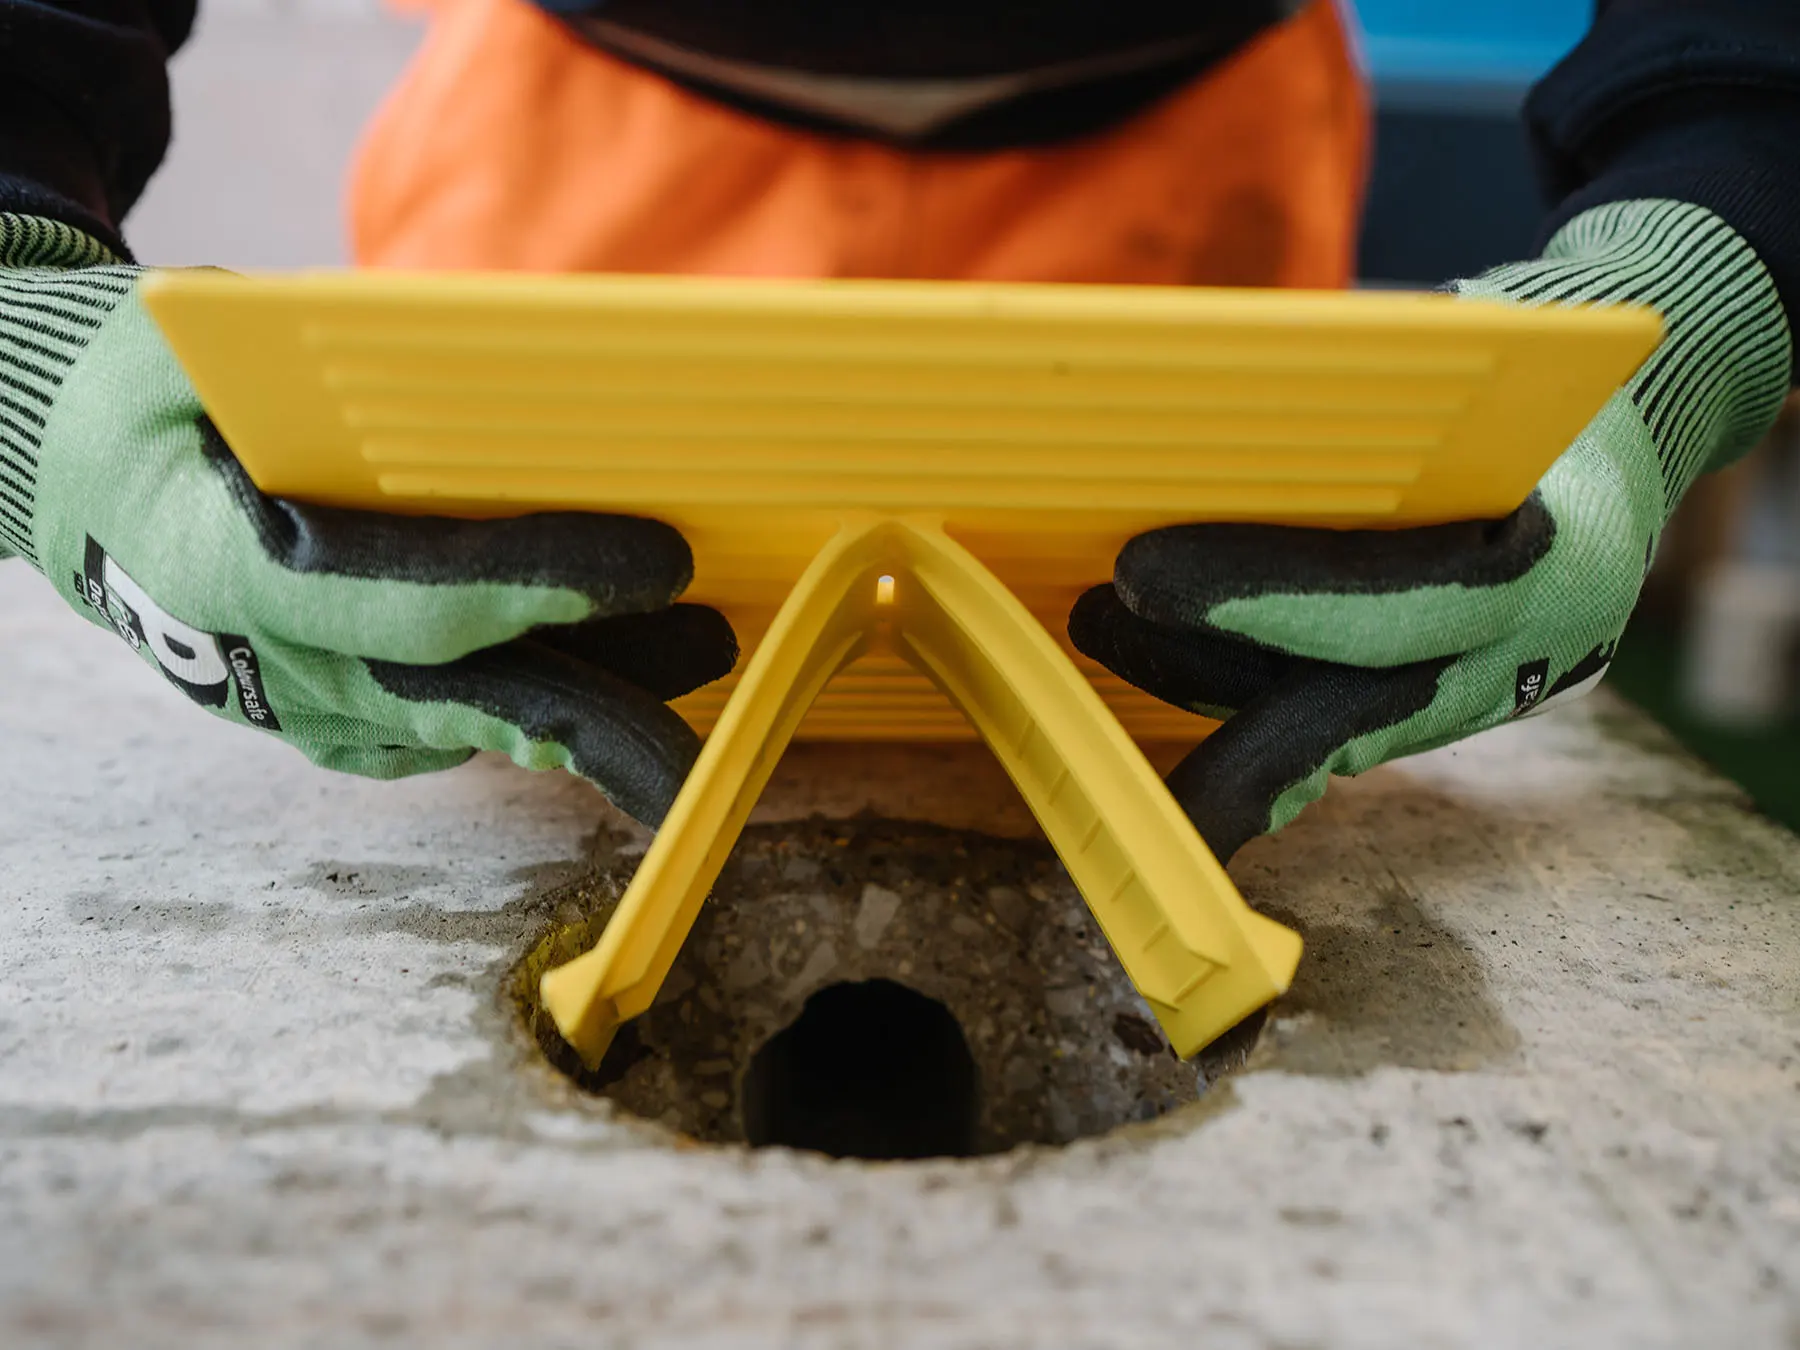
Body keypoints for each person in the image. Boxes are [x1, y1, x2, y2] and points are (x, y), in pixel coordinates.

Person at [0, 0, 1793, 862]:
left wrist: (1688, 292)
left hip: (1191, 195)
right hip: (577, 165)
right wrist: (23, 322)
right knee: (518, 721)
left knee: (1196, 694)